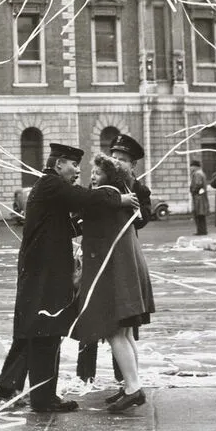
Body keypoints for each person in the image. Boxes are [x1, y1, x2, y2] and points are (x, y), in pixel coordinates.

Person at [0, 143, 138, 414]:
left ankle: (14, 387)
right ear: (59, 163)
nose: (77, 172)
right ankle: (43, 399)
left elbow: (64, 226)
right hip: (43, 274)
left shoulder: (48, 187)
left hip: (41, 272)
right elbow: (85, 199)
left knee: (39, 331)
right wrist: (120, 200)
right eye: (74, 166)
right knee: (45, 332)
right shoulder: (52, 184)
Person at [74, 153, 153, 413]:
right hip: (127, 268)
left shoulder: (106, 195)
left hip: (116, 271)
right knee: (126, 333)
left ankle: (132, 388)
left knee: (115, 331)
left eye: (96, 173)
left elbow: (86, 201)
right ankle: (132, 384)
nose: (92, 177)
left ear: (108, 176)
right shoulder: (120, 193)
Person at [189, 160, 209, 236]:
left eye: (191, 166)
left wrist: (193, 191)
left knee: (198, 214)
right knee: (201, 215)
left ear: (195, 166)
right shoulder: (201, 173)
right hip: (201, 197)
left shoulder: (197, 174)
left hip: (198, 197)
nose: (190, 168)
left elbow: (198, 184)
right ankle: (202, 230)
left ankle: (201, 231)